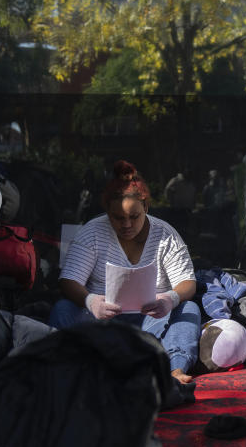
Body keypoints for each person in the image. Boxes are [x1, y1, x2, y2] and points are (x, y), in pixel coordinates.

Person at [50, 160, 201, 383]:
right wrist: (91, 301)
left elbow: (188, 282)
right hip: (101, 322)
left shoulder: (165, 234)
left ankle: (175, 370)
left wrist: (170, 298)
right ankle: (66, 370)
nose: (127, 225)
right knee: (63, 309)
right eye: (118, 218)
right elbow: (69, 280)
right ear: (107, 213)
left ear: (146, 208)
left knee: (189, 308)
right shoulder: (92, 232)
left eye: (134, 217)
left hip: (152, 322)